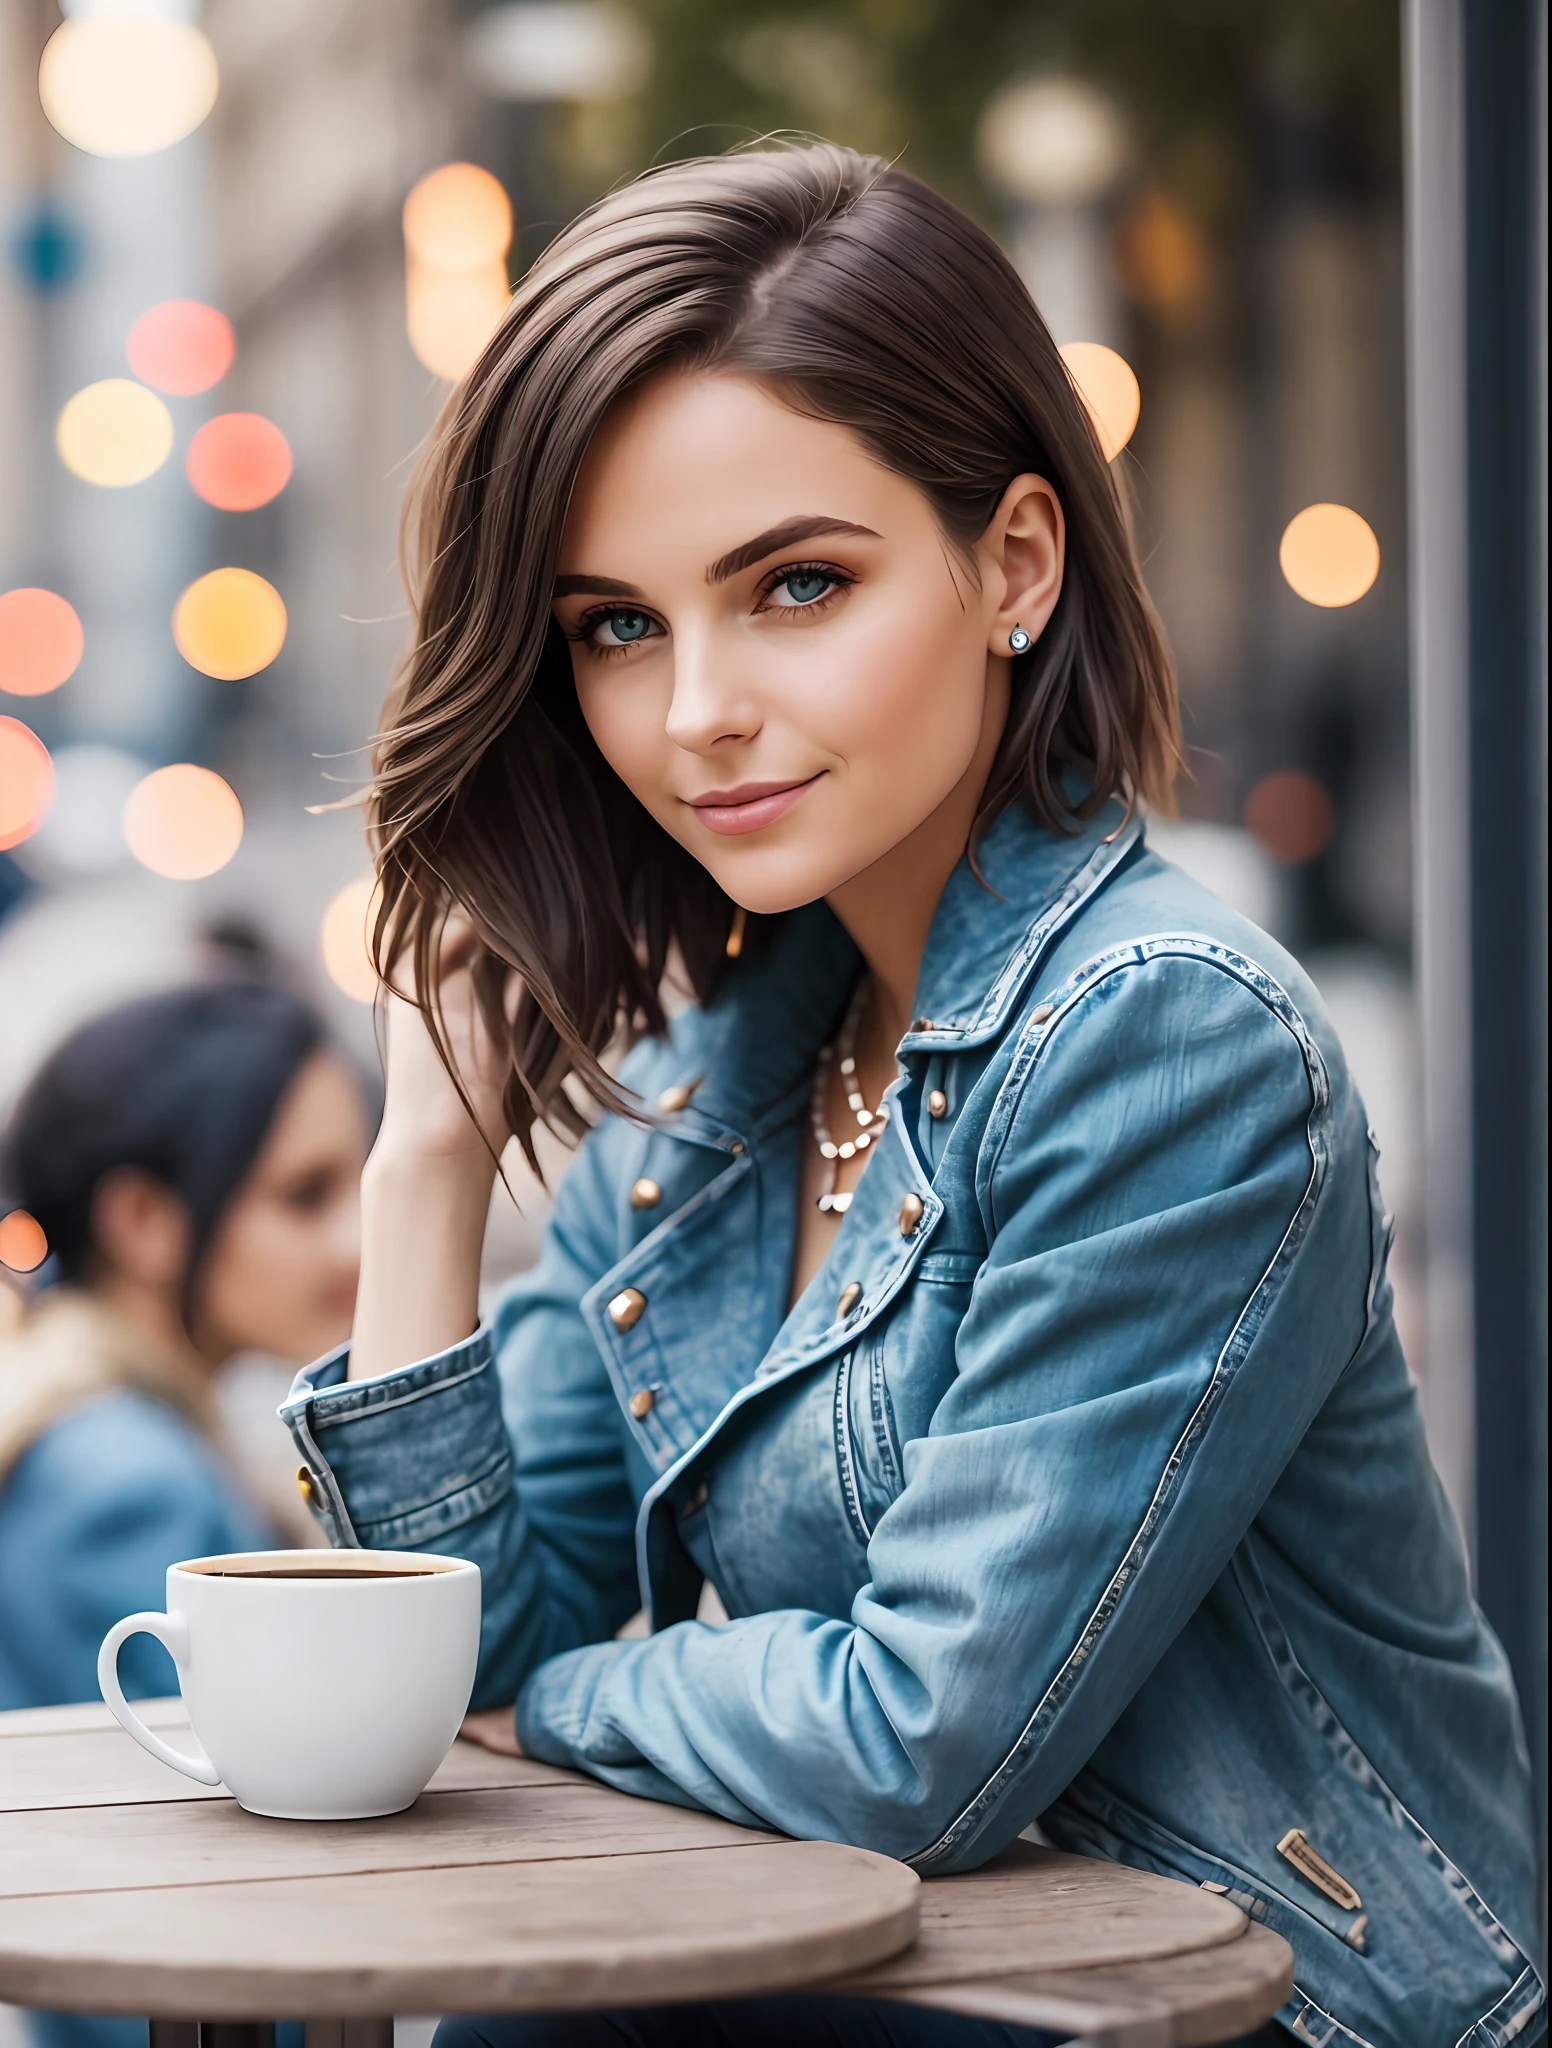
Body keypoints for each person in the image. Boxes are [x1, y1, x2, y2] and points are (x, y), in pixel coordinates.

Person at [279, 147, 1542, 2048]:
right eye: (616, 622)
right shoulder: (727, 1075)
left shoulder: (1160, 1044)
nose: (694, 706)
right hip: (908, 1968)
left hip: (1268, 1999)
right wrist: (424, 1167)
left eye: (795, 584)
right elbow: (428, 1656)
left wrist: (558, 1700)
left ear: (1012, 562)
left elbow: (914, 1740)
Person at [0, 980, 368, 1717]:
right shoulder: (128, 1485)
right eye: (306, 1194)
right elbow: (199, 1785)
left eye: (363, 1183)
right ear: (140, 1220)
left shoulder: (84, 1417)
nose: (357, 1240)